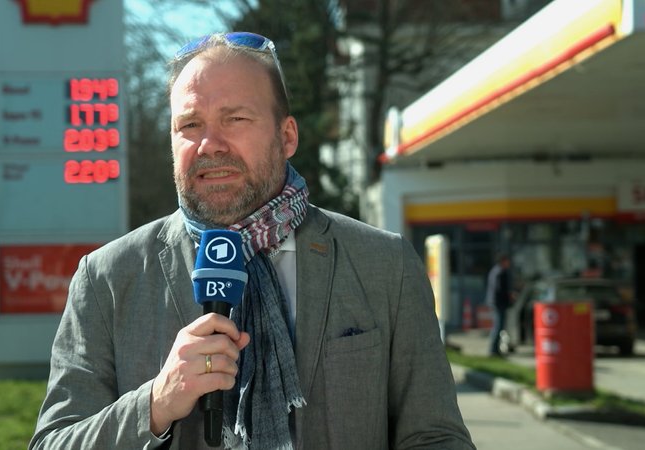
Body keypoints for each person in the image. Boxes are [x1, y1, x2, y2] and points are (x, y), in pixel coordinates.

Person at [30, 32, 474, 449]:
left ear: (287, 136)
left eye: (235, 118)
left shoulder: (384, 264)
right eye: (189, 124)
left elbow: (436, 437)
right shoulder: (107, 278)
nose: (209, 145)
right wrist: (156, 403)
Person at [485, 253, 512, 357]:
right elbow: (499, 289)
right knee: (498, 326)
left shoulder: (494, 271)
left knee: (497, 326)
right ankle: (493, 350)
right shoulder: (500, 272)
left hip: (495, 302)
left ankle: (494, 349)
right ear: (503, 261)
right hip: (499, 303)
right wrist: (509, 296)